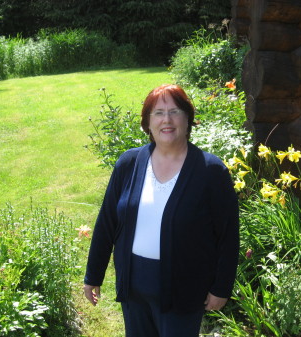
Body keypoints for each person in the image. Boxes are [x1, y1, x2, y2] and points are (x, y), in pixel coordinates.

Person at [83, 84, 239, 337]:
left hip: (184, 287)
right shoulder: (129, 163)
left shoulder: (210, 171)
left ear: (188, 119)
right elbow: (107, 223)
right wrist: (93, 275)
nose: (167, 119)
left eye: (175, 111)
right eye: (158, 113)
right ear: (147, 122)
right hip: (134, 287)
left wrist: (221, 288)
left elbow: (228, 236)